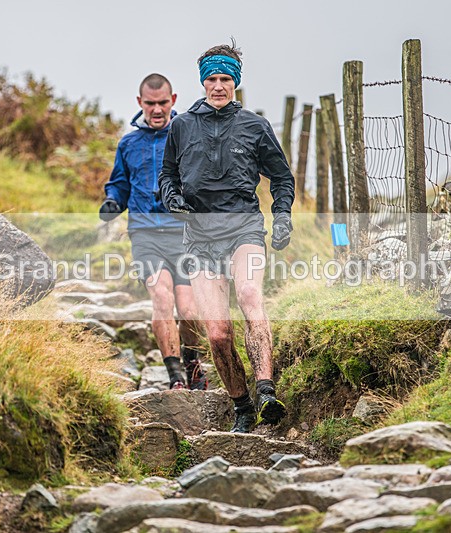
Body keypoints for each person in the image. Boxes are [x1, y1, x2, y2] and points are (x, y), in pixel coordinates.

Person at [158, 42, 295, 432]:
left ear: (236, 82)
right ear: (203, 82)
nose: (218, 86)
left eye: (225, 79)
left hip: (244, 229)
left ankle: (266, 390)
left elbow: (282, 177)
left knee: (250, 296)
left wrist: (282, 217)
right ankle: (242, 406)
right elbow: (167, 174)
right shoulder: (182, 126)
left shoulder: (254, 126)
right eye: (212, 79)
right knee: (217, 333)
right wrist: (172, 198)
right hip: (200, 238)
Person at [100, 73, 207, 390]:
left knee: (188, 309)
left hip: (185, 234)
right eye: (150, 103)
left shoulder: (188, 136)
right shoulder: (129, 144)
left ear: (173, 100)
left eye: (162, 102)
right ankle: (175, 378)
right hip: (145, 233)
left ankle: (193, 363)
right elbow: (120, 184)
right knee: (161, 297)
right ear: (140, 102)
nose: (157, 109)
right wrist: (112, 201)